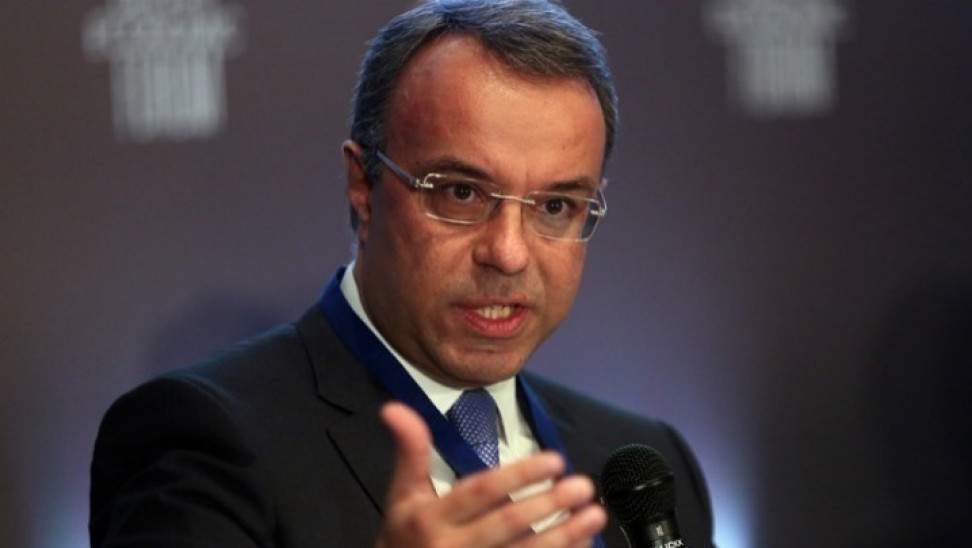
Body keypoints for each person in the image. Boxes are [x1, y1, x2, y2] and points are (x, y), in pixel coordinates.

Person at [89, 1, 716, 546]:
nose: (509, 253)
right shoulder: (203, 439)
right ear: (363, 187)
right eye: (462, 193)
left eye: (556, 206)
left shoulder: (644, 467)